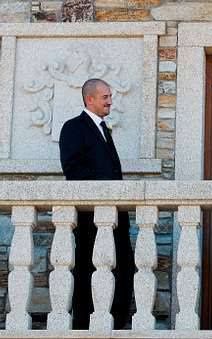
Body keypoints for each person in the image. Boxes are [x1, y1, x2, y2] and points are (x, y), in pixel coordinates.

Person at [59, 78, 135, 330]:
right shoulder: (73, 128)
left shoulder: (105, 130)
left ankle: (118, 322)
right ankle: (84, 326)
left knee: (123, 271)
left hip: (115, 220)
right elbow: (73, 170)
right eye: (105, 97)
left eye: (110, 96)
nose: (110, 101)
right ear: (89, 99)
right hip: (91, 219)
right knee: (87, 274)